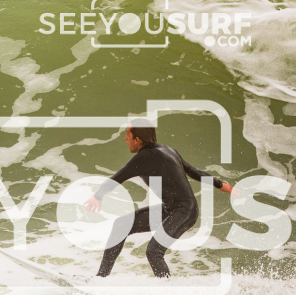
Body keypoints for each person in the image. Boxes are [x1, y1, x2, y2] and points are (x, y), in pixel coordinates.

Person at [84, 119, 235, 278]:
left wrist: (97, 197)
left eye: (128, 134)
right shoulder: (168, 150)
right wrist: (220, 185)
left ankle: (168, 289)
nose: (125, 138)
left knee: (154, 251)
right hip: (171, 209)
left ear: (137, 140)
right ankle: (100, 279)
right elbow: (194, 172)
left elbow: (117, 178)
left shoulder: (143, 158)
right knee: (122, 225)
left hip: (184, 211)